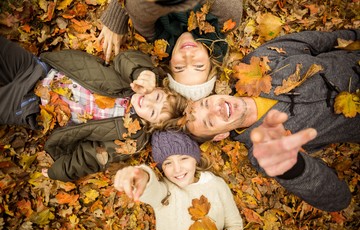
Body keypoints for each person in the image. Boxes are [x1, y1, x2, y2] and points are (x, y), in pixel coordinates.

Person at [182, 29, 360, 212]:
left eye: (205, 104)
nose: (215, 110)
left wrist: (355, 37)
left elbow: (317, 40)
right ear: (221, 136)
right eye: (209, 123)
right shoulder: (264, 151)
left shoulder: (257, 63)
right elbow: (338, 199)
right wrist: (292, 167)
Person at [0, 36, 188, 182]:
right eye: (156, 97)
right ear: (158, 88)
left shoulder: (130, 137)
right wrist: (143, 73)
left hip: (32, 104)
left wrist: (59, 171)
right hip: (39, 69)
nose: (147, 102)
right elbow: (126, 59)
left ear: (150, 124)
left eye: (153, 112)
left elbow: (91, 158)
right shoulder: (133, 81)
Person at [98, 0, 243, 100]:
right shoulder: (226, 18)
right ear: (211, 61)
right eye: (199, 66)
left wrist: (120, 13)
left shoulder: (155, 33)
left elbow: (138, 5)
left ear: (170, 63)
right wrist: (119, 12)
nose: (188, 57)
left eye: (179, 67)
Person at [113, 130, 243, 230]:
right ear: (162, 168)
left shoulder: (216, 184)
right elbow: (151, 189)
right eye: (168, 163)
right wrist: (142, 176)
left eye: (184, 158)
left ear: (195, 159)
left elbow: (235, 225)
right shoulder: (165, 191)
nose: (177, 169)